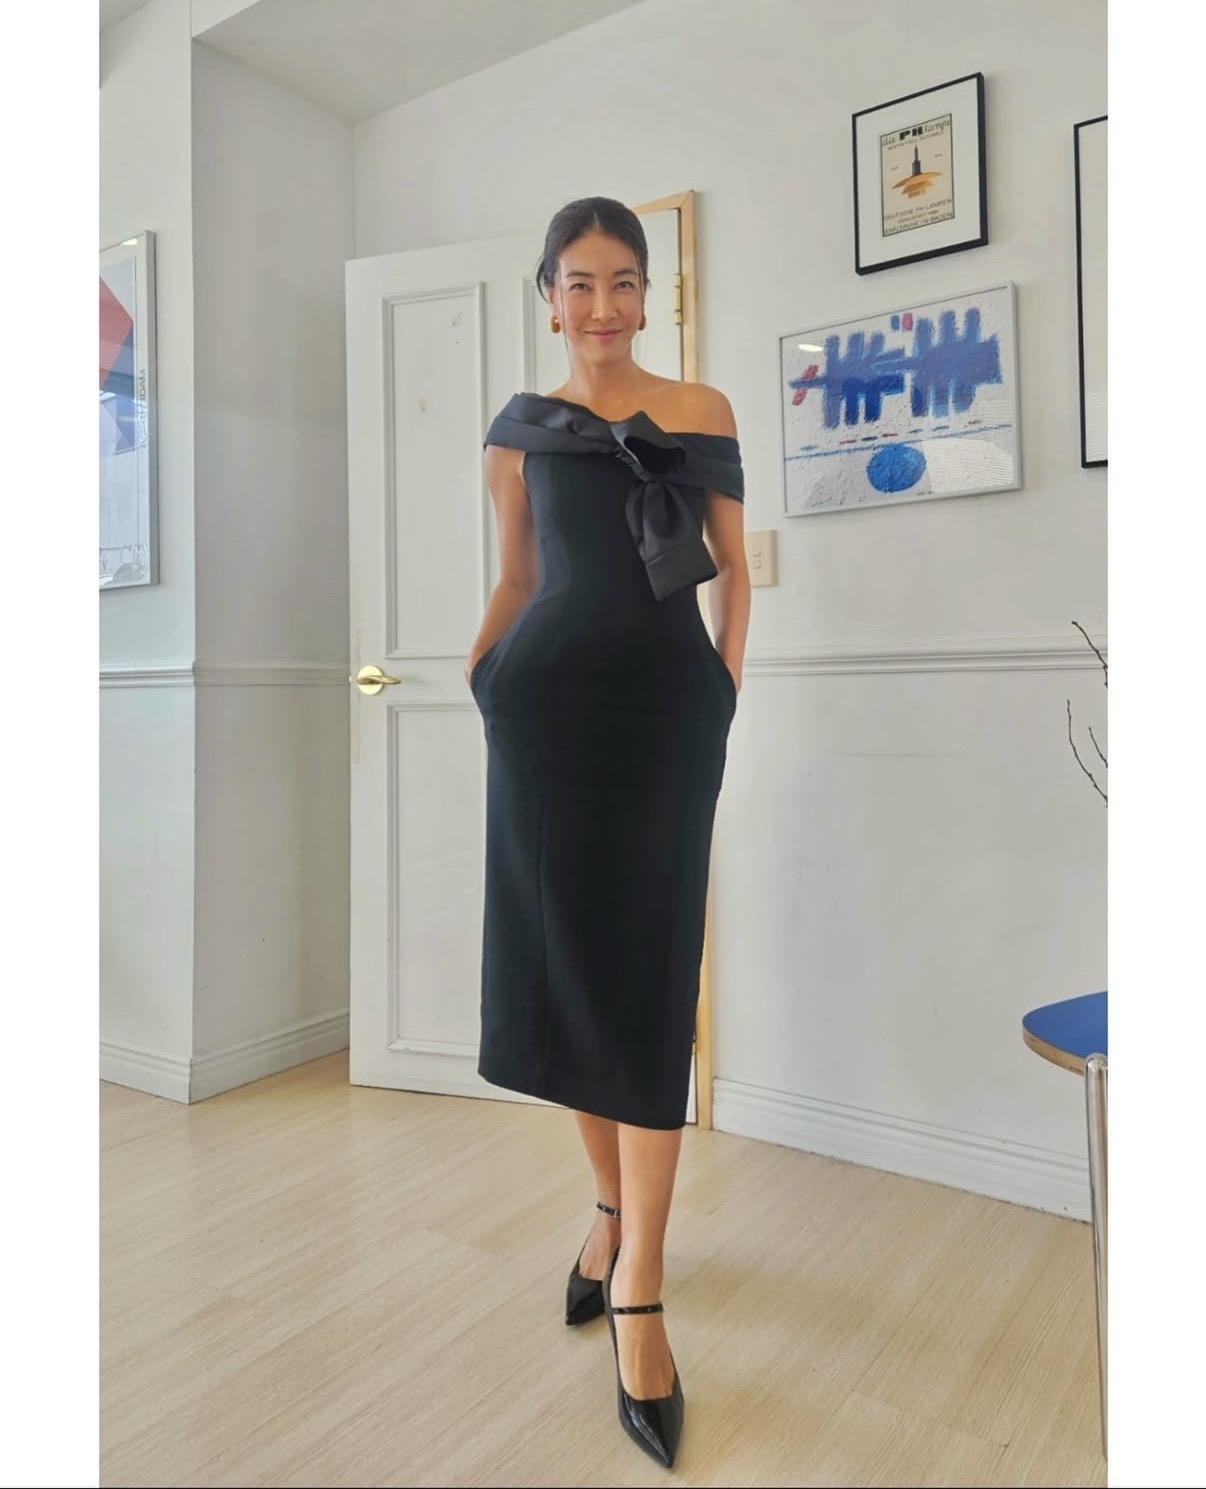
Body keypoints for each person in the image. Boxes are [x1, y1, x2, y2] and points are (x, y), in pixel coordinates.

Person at [465, 196, 750, 1469]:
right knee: (569, 974)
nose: (602, 306)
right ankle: (609, 1211)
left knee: (647, 980)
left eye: (623, 281)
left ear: (648, 292)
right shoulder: (518, 431)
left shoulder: (701, 410)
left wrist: (723, 691)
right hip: (542, 721)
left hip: (666, 721)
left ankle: (641, 1284)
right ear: (548, 297)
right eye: (578, 283)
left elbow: (732, 572)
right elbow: (519, 575)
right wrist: (484, 673)